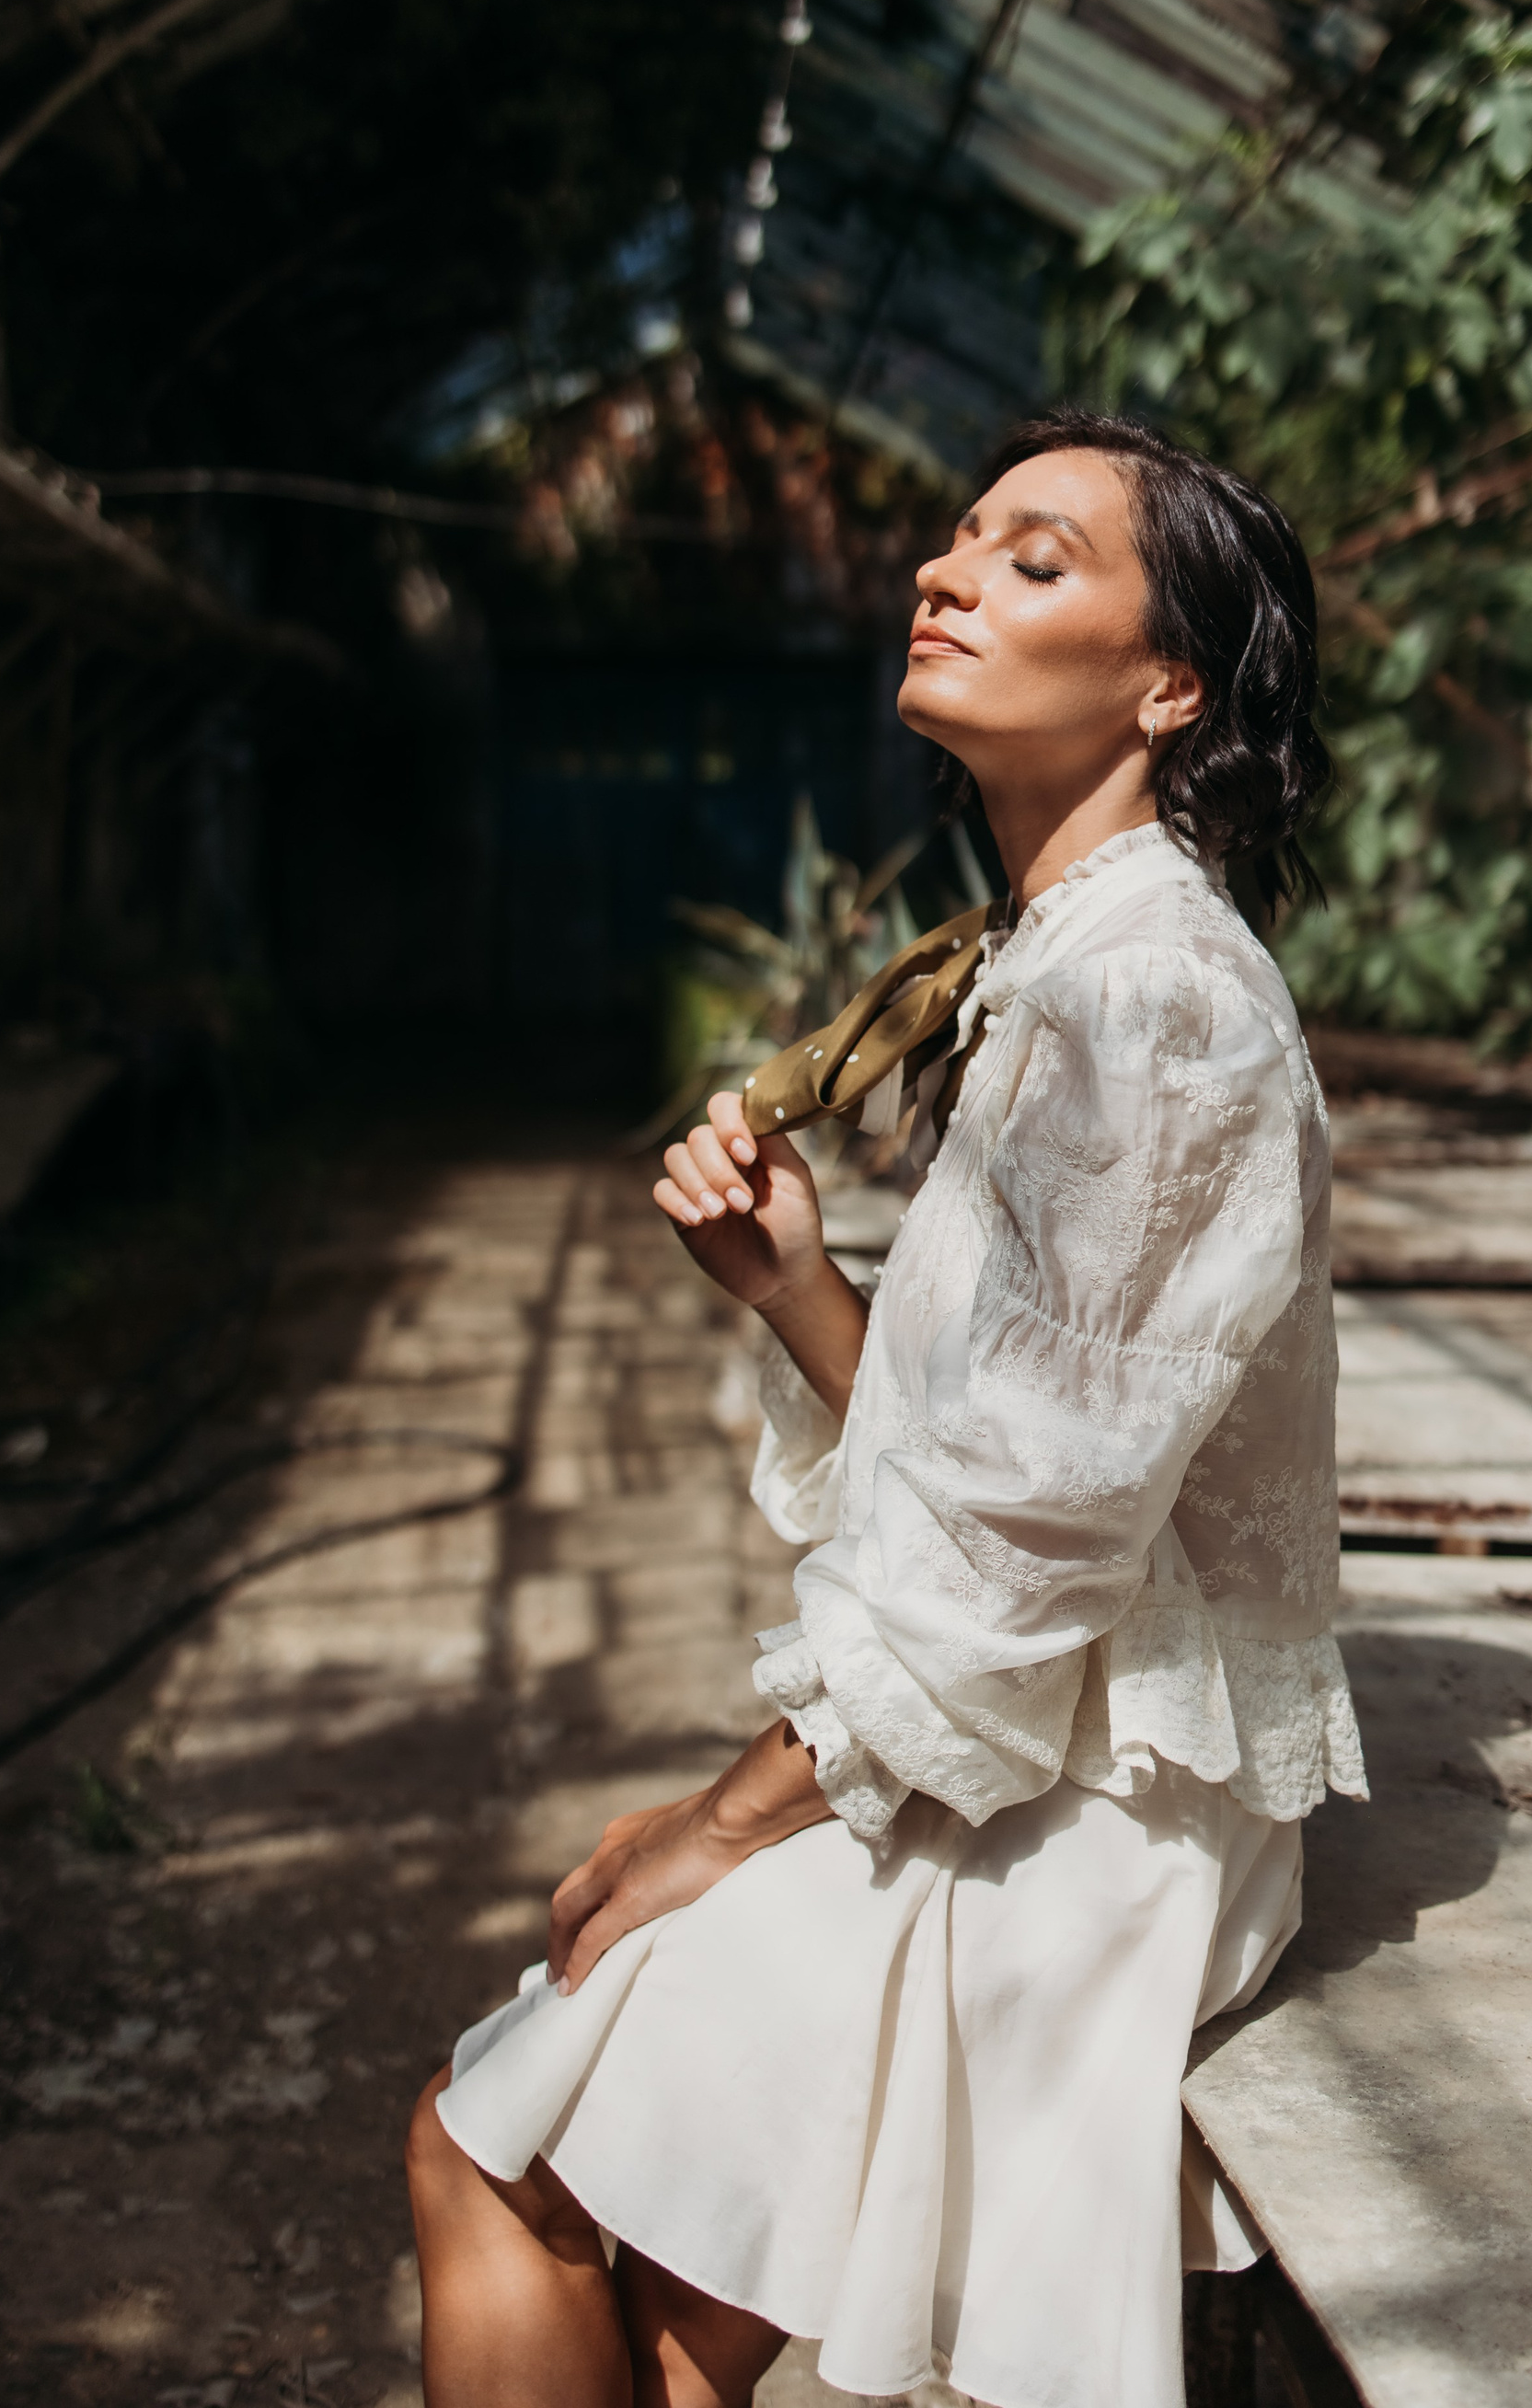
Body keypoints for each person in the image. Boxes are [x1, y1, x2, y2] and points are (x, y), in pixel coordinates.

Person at [405, 408, 1367, 2408]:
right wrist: (796, 1282)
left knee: (494, 2158)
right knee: (646, 2281)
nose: (944, 571)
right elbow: (1002, 1475)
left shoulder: (1153, 1003)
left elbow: (1025, 1551)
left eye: (1034, 558)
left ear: (1170, 686)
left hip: (1101, 1820)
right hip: (1029, 1732)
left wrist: (717, 1826)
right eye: (957, 540)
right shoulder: (1064, 962)